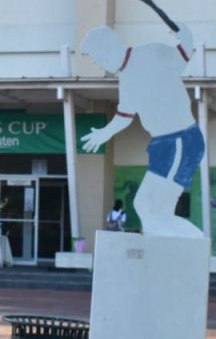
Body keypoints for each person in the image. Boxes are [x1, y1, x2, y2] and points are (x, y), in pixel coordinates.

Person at [80, 24, 205, 238]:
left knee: (152, 208)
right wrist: (104, 133)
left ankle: (194, 246)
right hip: (166, 143)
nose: (99, 63)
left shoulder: (151, 53)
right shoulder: (126, 75)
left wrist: (183, 32)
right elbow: (125, 115)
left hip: (180, 140)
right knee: (145, 206)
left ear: (106, 49)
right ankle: (183, 248)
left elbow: (184, 53)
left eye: (97, 57)